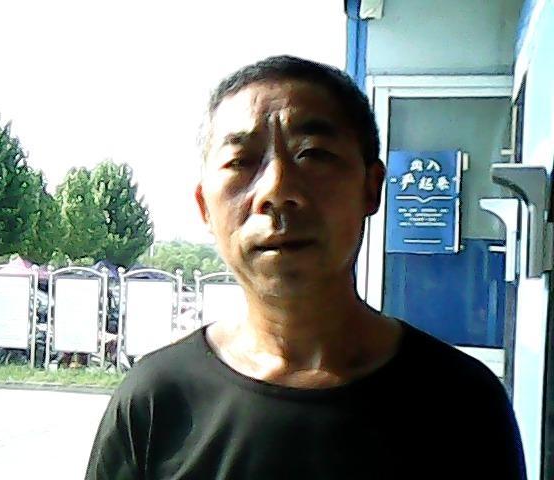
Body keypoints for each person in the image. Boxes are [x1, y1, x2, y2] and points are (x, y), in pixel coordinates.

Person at [85, 55, 526, 479]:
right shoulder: (154, 402)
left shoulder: (461, 402)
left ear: (371, 187)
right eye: (241, 162)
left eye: (312, 154)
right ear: (204, 206)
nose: (276, 189)